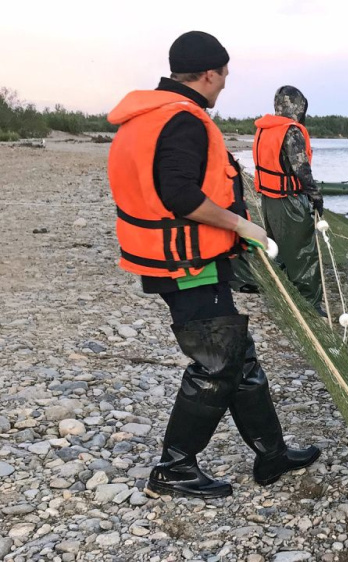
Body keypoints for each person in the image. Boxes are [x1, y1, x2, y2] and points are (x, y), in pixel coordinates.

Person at [106, 31, 320, 498]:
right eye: (223, 75)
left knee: (237, 354)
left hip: (179, 255)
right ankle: (175, 468)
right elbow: (178, 195)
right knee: (216, 362)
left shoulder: (150, 115)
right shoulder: (182, 120)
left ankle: (273, 453)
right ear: (208, 73)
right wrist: (243, 227)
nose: (224, 84)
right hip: (187, 261)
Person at [252, 86, 326, 316]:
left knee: (279, 250)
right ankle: (310, 306)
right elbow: (301, 169)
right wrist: (315, 196)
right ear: (298, 106)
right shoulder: (291, 132)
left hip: (269, 200)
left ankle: (282, 296)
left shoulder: (264, 129)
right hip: (289, 202)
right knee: (303, 253)